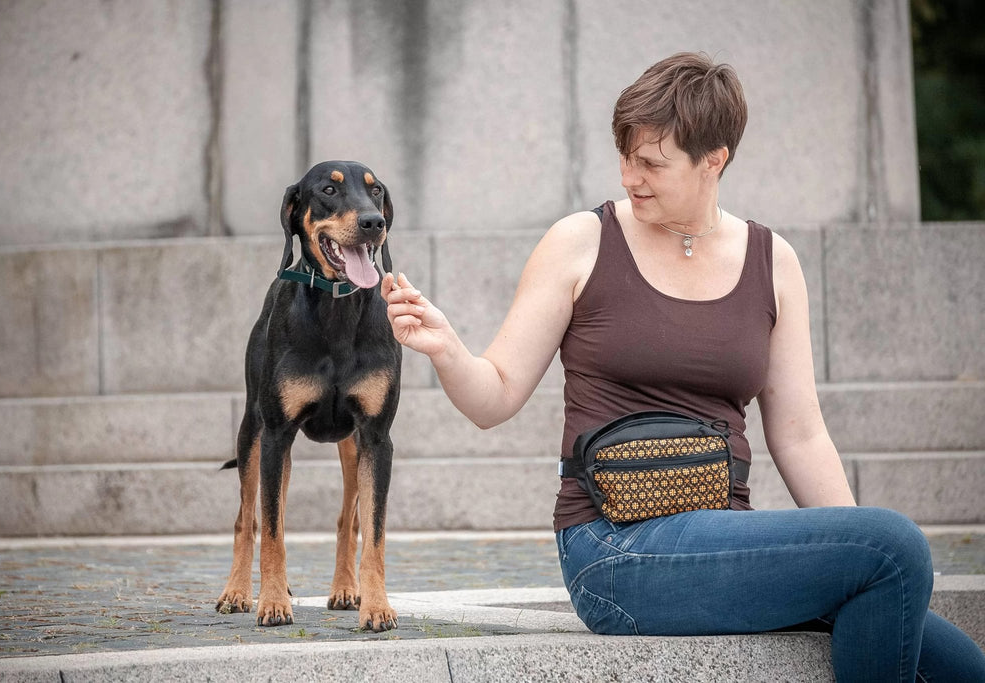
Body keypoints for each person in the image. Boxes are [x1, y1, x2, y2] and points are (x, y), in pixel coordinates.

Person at [381, 52, 985, 682]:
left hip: (724, 534)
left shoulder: (773, 261)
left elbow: (801, 433)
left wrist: (849, 543)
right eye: (625, 157)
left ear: (713, 160)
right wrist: (448, 348)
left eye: (651, 162)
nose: (629, 176)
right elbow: (495, 396)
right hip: (614, 549)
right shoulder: (580, 243)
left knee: (960, 664)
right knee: (896, 548)